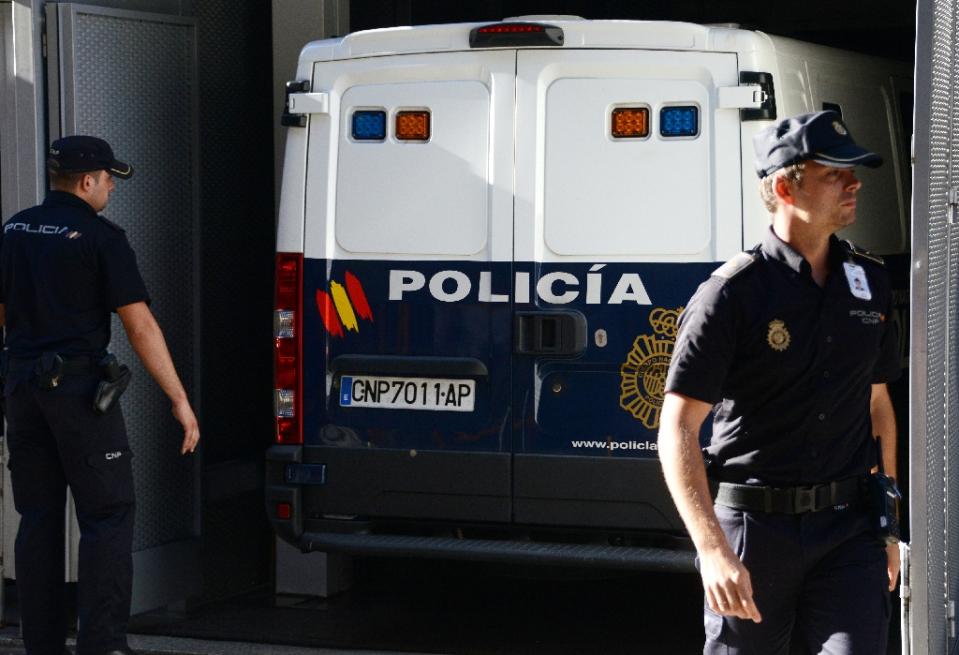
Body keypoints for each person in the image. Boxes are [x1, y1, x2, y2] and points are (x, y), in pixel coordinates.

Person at [658, 111, 901, 655]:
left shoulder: (870, 282)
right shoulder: (730, 295)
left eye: (853, 171)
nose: (854, 182)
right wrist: (713, 549)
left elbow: (879, 404)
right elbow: (677, 427)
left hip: (847, 533)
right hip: (752, 532)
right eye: (836, 172)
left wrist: (887, 527)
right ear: (786, 184)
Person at [0, 135, 200, 655]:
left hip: (22, 390)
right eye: (108, 178)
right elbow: (140, 327)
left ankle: (41, 644)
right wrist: (178, 399)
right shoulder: (101, 237)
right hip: (79, 395)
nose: (111, 186)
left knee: (38, 517)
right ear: (87, 182)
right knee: (108, 516)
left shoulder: (14, 229)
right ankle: (103, 644)